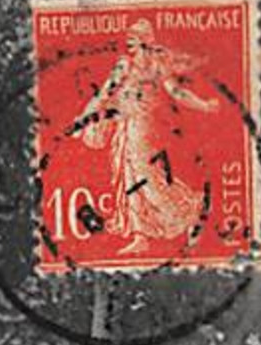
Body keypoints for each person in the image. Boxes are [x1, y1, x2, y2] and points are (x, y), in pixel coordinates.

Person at [73, 19, 221, 255]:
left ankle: (187, 212)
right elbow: (105, 93)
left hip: (145, 127)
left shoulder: (156, 65)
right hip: (124, 125)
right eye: (128, 41)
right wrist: (85, 117)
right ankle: (140, 235)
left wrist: (203, 105)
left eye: (133, 41)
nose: (129, 46)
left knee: (148, 177)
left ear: (145, 41)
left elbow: (177, 91)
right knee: (128, 178)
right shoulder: (123, 66)